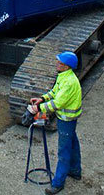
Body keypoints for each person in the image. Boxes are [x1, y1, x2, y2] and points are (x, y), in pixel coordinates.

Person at [31, 51, 82, 193]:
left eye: (60, 63)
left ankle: (58, 183)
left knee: (64, 151)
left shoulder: (69, 82)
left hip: (66, 119)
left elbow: (58, 103)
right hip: (67, 119)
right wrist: (42, 98)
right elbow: (54, 92)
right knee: (72, 143)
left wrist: (38, 108)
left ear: (67, 66)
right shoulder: (63, 76)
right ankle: (75, 171)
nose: (57, 64)